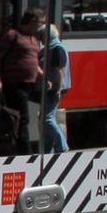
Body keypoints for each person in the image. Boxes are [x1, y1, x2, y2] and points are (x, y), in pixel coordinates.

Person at [0, 8, 47, 153]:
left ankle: (14, 146)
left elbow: (34, 62)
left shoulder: (34, 39)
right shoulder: (12, 36)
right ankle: (25, 151)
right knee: (22, 118)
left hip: (29, 84)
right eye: (41, 23)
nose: (42, 26)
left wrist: (43, 77)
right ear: (32, 21)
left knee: (20, 118)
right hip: (14, 83)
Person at [38, 21, 70, 153]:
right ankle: (49, 149)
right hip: (52, 88)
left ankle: (62, 146)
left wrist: (57, 89)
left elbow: (59, 71)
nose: (40, 40)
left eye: (40, 36)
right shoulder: (51, 48)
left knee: (47, 118)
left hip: (55, 88)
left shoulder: (56, 48)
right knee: (47, 117)